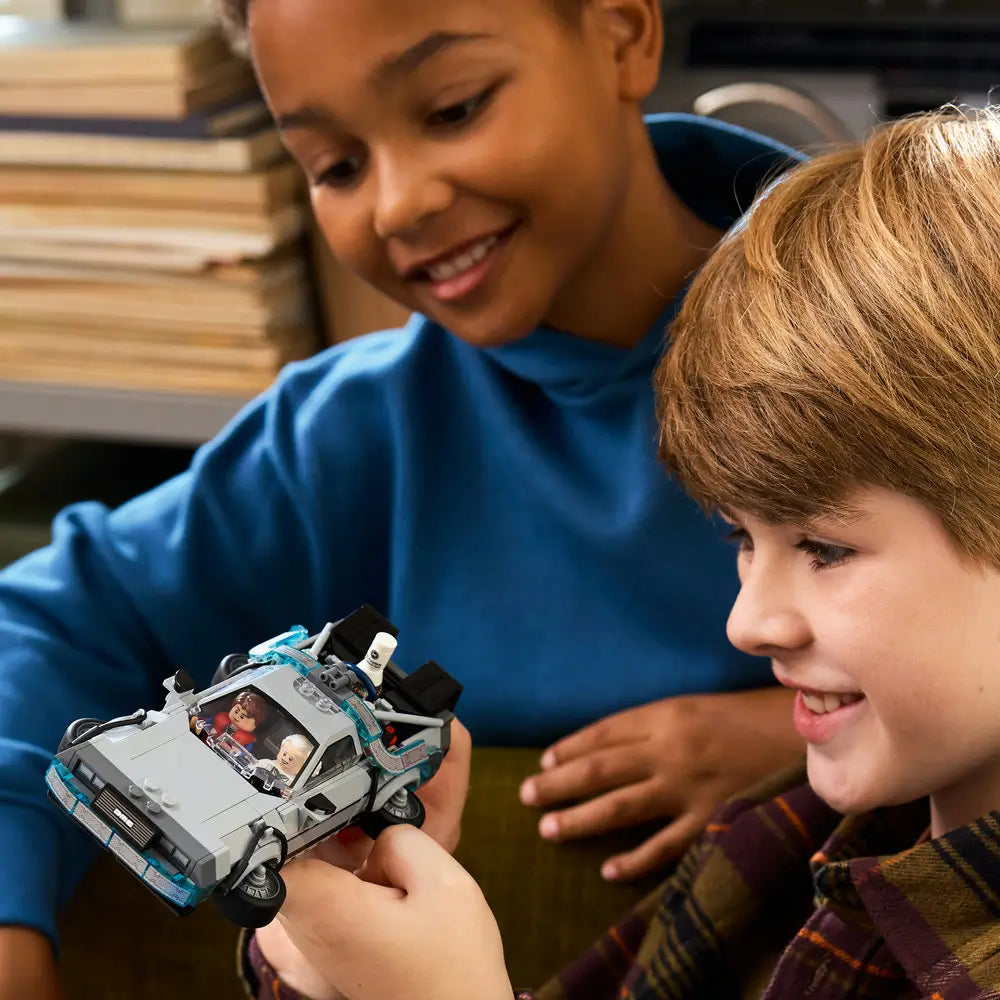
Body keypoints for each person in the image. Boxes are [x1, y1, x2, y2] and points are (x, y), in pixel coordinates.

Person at [0, 0, 808, 992]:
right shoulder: (347, 429)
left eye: (454, 108)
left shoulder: (904, 311)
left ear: (624, 34)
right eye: (335, 166)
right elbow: (51, 623)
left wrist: (795, 733)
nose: (396, 204)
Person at [246, 107, 1000, 1000]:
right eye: (739, 540)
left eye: (826, 548)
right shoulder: (779, 844)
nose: (747, 621)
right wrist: (331, 965)